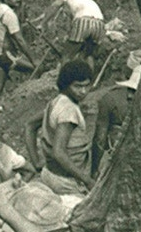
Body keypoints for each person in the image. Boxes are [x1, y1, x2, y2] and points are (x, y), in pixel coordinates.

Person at [33, 61, 96, 196]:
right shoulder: (69, 110)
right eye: (77, 86)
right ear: (66, 85)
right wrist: (87, 180)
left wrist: (36, 163)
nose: (83, 91)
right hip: (65, 181)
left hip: (49, 173)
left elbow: (29, 126)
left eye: (87, 86)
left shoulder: (56, 101)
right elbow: (59, 152)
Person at [37, 0, 106, 69]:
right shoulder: (88, 1)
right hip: (100, 24)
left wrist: (44, 22)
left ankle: (64, 79)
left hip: (83, 21)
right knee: (89, 55)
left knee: (67, 55)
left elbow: (56, 5)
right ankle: (89, 79)